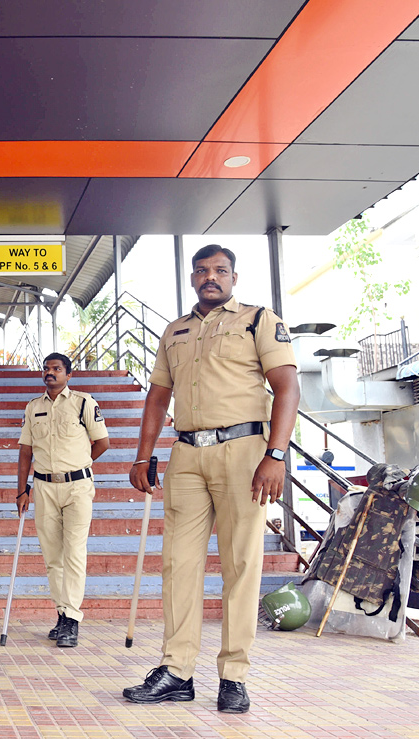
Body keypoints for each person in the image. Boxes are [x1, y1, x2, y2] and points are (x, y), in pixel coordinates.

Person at [123, 244, 299, 714]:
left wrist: (275, 455)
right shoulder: (174, 330)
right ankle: (177, 670)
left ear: (234, 277)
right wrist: (143, 457)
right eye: (202, 271)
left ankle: (234, 675)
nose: (210, 277)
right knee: (179, 564)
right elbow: (158, 399)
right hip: (186, 455)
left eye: (220, 270)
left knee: (241, 564)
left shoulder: (259, 320)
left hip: (245, 453)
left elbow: (287, 387)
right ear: (193, 278)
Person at [16, 352, 110, 647]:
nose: (50, 373)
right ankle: (61, 613)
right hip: (43, 487)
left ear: (69, 375)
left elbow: (103, 442)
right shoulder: (33, 407)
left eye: (56, 369)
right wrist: (22, 490)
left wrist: (81, 465)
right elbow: (25, 452)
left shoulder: (84, 403)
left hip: (77, 488)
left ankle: (72, 619)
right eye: (46, 368)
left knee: (74, 553)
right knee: (52, 557)